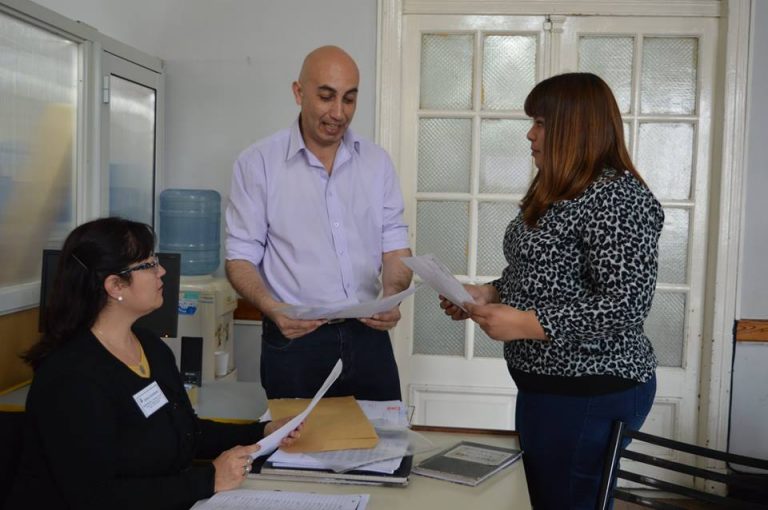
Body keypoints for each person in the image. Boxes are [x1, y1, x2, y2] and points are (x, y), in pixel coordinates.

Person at [439, 73, 663, 510]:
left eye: (540, 122)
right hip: (547, 389)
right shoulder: (558, 188)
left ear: (573, 128)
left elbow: (626, 305)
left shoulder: (618, 197)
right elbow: (543, 275)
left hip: (593, 390)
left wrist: (525, 322)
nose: (530, 133)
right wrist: (489, 293)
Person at [7, 218, 300, 510]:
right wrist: (208, 480)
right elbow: (95, 497)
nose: (162, 271)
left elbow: (185, 432)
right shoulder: (72, 378)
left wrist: (263, 432)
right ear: (114, 285)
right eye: (148, 265)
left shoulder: (150, 347)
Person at [225, 46, 412, 401]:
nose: (338, 113)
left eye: (349, 99)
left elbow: (394, 245)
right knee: (296, 451)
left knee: (385, 448)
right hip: (295, 338)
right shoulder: (257, 163)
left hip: (367, 337)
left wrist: (391, 297)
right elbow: (239, 258)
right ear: (299, 92)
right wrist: (272, 308)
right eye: (326, 97)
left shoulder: (377, 162)